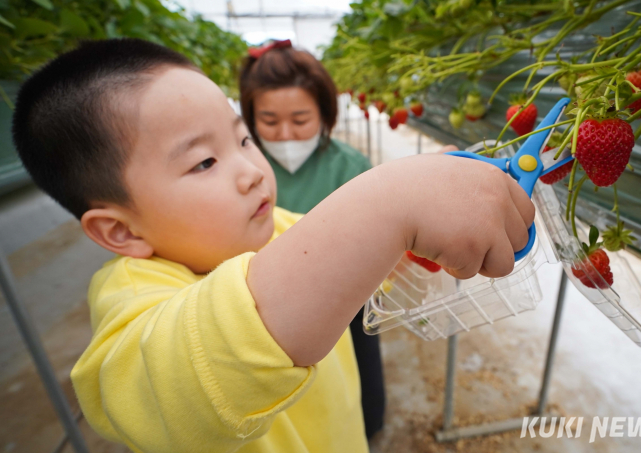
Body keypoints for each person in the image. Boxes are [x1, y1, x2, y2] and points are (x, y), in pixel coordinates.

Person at [11, 39, 534, 453]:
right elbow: (176, 397)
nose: (250, 170)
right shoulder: (135, 300)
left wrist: (425, 221)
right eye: (204, 162)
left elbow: (374, 265)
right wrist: (387, 201)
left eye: (241, 141)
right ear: (122, 232)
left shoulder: (280, 226)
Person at [239, 40, 384, 439]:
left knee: (360, 401)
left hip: (346, 307)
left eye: (300, 120)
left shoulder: (350, 166)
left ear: (325, 113)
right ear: (249, 119)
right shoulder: (244, 173)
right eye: (268, 121)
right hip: (261, 312)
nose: (285, 135)